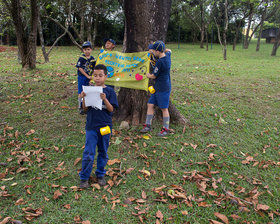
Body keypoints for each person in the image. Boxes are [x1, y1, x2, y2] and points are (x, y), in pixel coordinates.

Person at [79, 64, 119, 189]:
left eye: (100, 76)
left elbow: (111, 109)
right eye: (95, 76)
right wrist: (84, 98)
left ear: (105, 76)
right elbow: (85, 109)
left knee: (103, 151)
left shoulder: (110, 91)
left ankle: (100, 174)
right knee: (89, 152)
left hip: (105, 127)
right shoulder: (89, 90)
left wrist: (105, 99)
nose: (97, 78)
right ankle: (84, 177)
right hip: (91, 126)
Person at [141, 40, 172, 137]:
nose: (153, 52)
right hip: (157, 87)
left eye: (154, 51)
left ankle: (165, 129)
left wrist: (147, 75)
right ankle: (148, 125)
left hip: (163, 88)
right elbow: (169, 50)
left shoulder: (160, 62)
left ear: (158, 51)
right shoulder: (167, 56)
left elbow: (153, 76)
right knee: (150, 104)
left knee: (164, 108)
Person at [76, 41, 96, 115]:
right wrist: (87, 76)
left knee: (89, 91)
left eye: (88, 49)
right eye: (85, 50)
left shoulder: (93, 59)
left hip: (90, 78)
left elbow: (94, 68)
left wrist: (92, 77)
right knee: (81, 92)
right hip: (82, 77)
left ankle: (87, 106)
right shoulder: (81, 58)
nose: (87, 51)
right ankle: (80, 107)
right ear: (83, 50)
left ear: (91, 49)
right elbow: (80, 68)